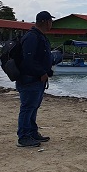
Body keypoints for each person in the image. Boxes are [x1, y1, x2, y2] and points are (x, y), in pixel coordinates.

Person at [16, 11, 55, 147]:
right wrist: (41, 72)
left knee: (33, 107)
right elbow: (28, 60)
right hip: (29, 79)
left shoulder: (40, 36)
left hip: (37, 80)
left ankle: (32, 132)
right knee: (27, 107)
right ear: (44, 21)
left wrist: (46, 71)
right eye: (50, 21)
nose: (52, 23)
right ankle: (23, 136)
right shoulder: (32, 37)